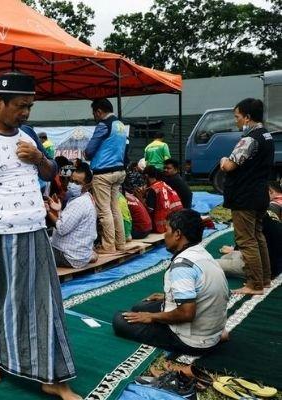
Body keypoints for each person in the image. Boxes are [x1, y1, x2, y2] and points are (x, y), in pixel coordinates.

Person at [0, 71, 80, 400]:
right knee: (0, 299)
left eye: (30, 106)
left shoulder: (28, 134)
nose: (25, 113)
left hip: (35, 230)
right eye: (20, 106)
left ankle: (51, 377)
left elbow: (51, 172)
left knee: (46, 302)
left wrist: (39, 157)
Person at [112, 209, 229, 355]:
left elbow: (187, 314)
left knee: (119, 319)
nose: (164, 235)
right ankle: (216, 335)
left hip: (192, 340)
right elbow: (203, 290)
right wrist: (169, 296)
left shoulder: (182, 266)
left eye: (166, 229)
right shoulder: (202, 254)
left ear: (177, 234)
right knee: (140, 307)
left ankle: (204, 339)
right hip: (211, 331)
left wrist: (152, 317)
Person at [220, 98, 275, 295]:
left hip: (245, 196)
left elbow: (230, 166)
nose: (236, 121)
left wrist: (223, 160)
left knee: (246, 240)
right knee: (258, 236)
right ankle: (265, 279)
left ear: (247, 117)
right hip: (260, 194)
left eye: (237, 117)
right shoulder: (267, 136)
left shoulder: (250, 138)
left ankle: (254, 284)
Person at [85, 98, 128, 254]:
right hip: (119, 171)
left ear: (99, 111)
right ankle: (121, 244)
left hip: (103, 173)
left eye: (94, 113)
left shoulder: (104, 125)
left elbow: (89, 151)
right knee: (115, 208)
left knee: (104, 211)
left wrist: (87, 154)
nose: (94, 117)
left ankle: (108, 246)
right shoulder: (120, 126)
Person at [48, 162, 99, 268]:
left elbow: (61, 228)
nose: (72, 185)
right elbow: (70, 221)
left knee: (36, 246)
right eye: (71, 180)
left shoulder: (79, 203)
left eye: (77, 182)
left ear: (87, 185)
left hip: (68, 257)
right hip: (78, 254)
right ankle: (87, 256)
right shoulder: (86, 197)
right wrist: (58, 210)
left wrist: (48, 211)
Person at [135, 165, 183, 234]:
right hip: (176, 221)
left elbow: (149, 210)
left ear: (146, 176)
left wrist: (140, 199)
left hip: (160, 227)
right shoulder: (163, 184)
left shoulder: (152, 190)